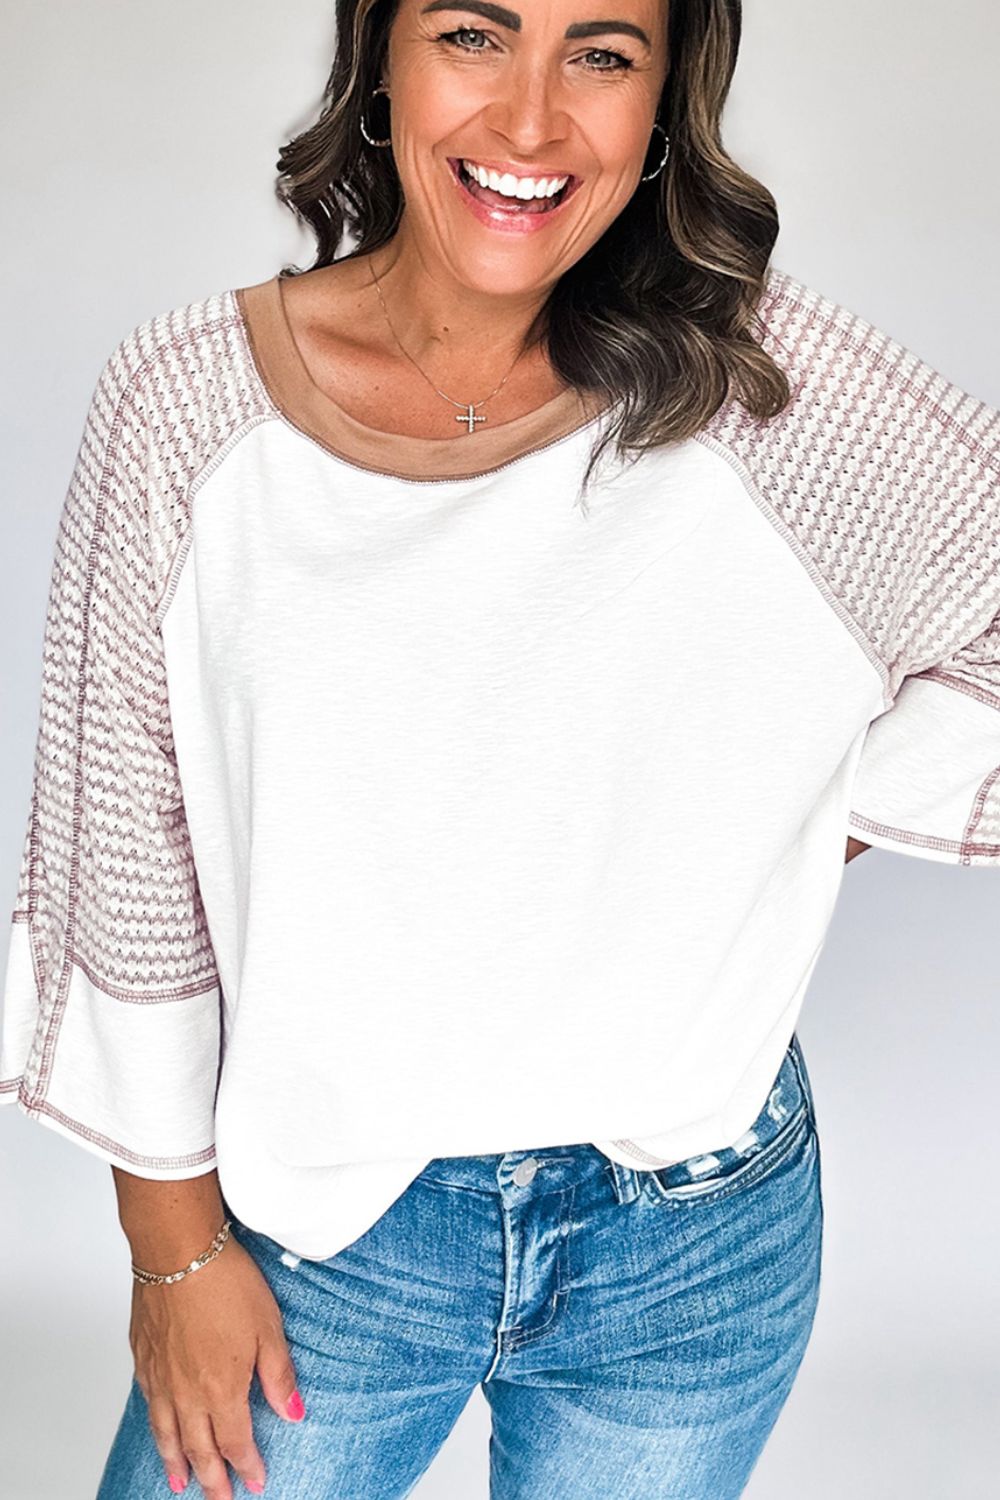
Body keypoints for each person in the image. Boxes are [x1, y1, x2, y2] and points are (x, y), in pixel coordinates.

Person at [2, 0, 997, 1495]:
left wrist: (791, 827)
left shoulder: (756, 387)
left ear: (664, 103)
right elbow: (126, 862)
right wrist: (172, 1250)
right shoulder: (189, 409)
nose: (531, 121)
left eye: (602, 53)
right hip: (327, 1239)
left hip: (695, 1234)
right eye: (474, 33)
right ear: (380, 55)